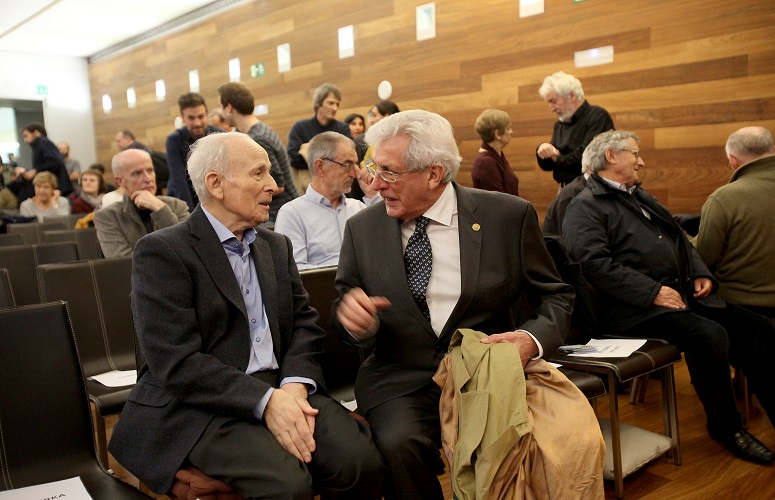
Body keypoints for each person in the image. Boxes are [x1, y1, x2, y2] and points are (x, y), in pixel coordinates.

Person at [335, 110, 604, 499]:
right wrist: (357, 322)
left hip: (486, 372)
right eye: (373, 168)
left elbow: (557, 295)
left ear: (434, 173)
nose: (375, 184)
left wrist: (530, 340)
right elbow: (347, 303)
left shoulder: (506, 217)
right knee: (397, 446)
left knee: (519, 453)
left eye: (390, 173)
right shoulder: (363, 228)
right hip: (401, 375)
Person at [108, 132, 384, 498]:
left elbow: (303, 326)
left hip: (284, 387)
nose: (274, 185)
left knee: (361, 461)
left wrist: (294, 388)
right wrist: (266, 401)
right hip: (202, 404)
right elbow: (175, 361)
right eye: (259, 174)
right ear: (216, 184)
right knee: (288, 484)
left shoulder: (275, 245)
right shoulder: (162, 252)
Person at [562, 129, 775, 465]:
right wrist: (652, 291)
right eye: (635, 153)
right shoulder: (584, 207)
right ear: (611, 156)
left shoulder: (639, 195)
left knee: (759, 328)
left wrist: (701, 271)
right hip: (629, 309)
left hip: (674, 296)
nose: (641, 161)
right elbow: (593, 265)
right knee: (709, 335)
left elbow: (677, 236)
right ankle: (726, 428)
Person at [692, 126, 775, 318]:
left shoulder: (724, 198)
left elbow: (705, 255)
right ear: (773, 150)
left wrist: (682, 239)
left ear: (733, 161)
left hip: (741, 308)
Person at [274, 132, 379, 270]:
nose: (355, 173)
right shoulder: (292, 214)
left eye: (355, 165)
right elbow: (296, 271)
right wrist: (348, 271)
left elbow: (386, 251)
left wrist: (373, 196)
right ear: (320, 167)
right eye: (347, 164)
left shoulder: (358, 207)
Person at [217, 81, 298, 224]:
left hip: (278, 215)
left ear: (229, 107)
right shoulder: (256, 132)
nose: (221, 112)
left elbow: (278, 186)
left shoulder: (258, 139)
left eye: (221, 107)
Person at [94, 149, 189, 257]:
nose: (148, 179)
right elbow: (122, 262)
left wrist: (160, 209)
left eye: (150, 170)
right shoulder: (107, 216)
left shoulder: (177, 206)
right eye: (137, 173)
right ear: (120, 181)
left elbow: (190, 248)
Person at [536, 71, 614, 186]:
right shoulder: (560, 123)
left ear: (571, 96)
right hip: (565, 188)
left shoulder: (598, 116)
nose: (551, 109)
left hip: (592, 190)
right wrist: (542, 150)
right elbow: (549, 165)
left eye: (553, 101)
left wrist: (557, 158)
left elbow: (586, 157)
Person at [287, 83, 351, 193]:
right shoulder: (300, 127)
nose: (335, 108)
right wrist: (329, 159)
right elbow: (293, 158)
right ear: (318, 103)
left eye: (337, 104)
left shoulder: (342, 129)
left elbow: (345, 160)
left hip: (337, 189)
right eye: (330, 103)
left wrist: (307, 150)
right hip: (307, 189)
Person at [166, 93, 224, 210]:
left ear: (207, 115)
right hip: (184, 200)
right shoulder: (174, 140)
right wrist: (191, 217)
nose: (197, 123)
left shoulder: (221, 136)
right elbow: (179, 182)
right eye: (191, 118)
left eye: (201, 117)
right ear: (183, 118)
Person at [20, 123, 74, 204]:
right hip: (52, 186)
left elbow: (56, 161)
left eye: (26, 136)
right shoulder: (40, 144)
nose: (25, 140)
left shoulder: (43, 142)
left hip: (55, 186)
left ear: (36, 133)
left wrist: (35, 171)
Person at [471, 109, 519, 196]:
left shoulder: (497, 155)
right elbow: (499, 202)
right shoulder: (485, 163)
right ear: (498, 134)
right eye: (508, 128)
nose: (511, 131)